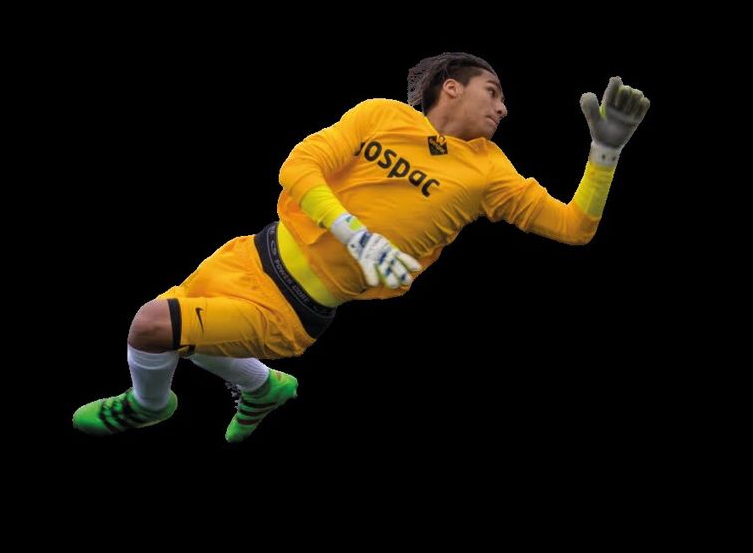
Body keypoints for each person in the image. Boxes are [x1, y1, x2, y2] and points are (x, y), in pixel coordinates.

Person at [73, 52, 650, 442]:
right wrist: (354, 233)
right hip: (248, 254)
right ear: (451, 87)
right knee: (191, 338)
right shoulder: (380, 114)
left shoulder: (490, 172)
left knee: (152, 326)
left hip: (291, 309)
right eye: (492, 91)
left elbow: (575, 227)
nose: (503, 107)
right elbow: (299, 165)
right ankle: (262, 387)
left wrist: (605, 155)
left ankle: (150, 406)